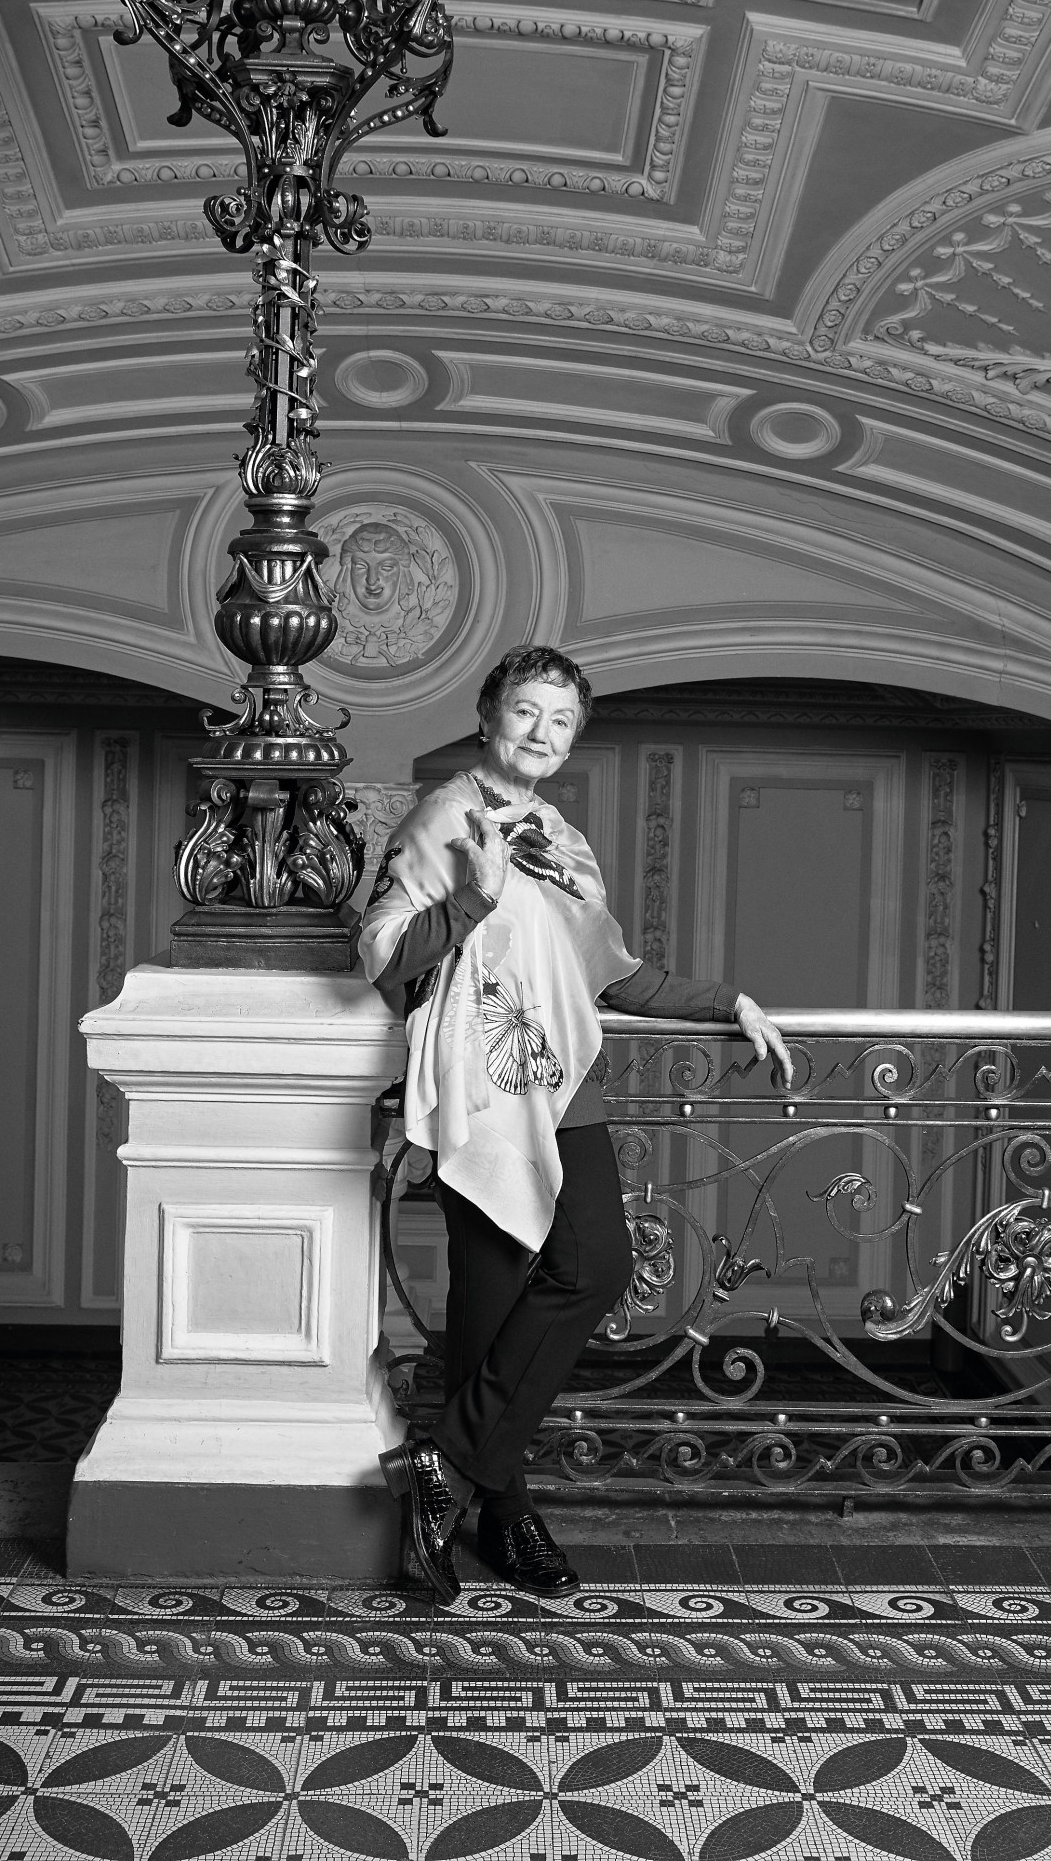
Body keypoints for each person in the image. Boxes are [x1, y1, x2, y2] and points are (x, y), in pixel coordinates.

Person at [359, 645, 791, 1602]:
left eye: (560, 720)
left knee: (595, 1264)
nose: (541, 732)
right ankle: (501, 1515)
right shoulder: (441, 818)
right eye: (525, 711)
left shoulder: (562, 839)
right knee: (487, 1310)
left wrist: (729, 1001)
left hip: (561, 1085)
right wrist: (473, 893)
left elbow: (612, 974)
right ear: (488, 717)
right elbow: (386, 958)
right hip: (478, 1089)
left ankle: (447, 1466)